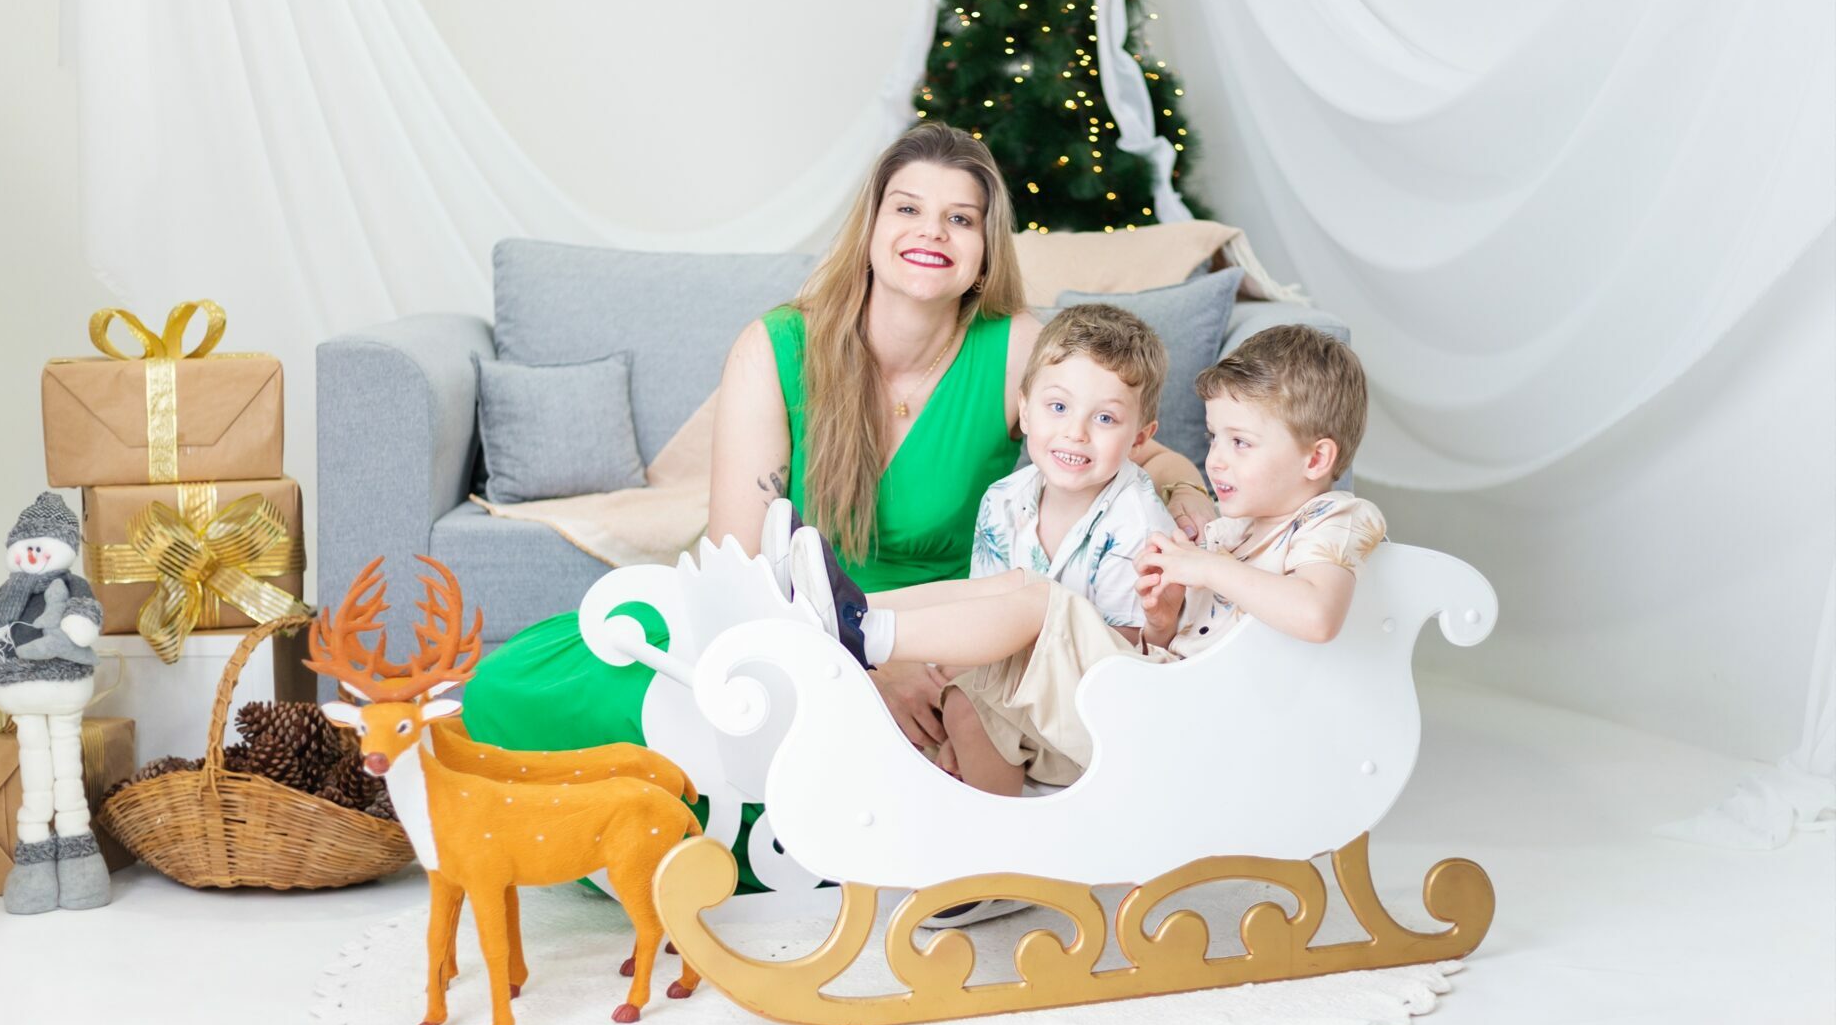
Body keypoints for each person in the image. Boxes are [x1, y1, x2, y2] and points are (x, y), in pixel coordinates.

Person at [458, 121, 1215, 889]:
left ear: (985, 250)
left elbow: (1130, 450)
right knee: (514, 688)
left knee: (821, 786)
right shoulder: (778, 346)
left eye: (960, 218)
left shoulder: (1016, 346)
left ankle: (746, 837)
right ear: (871, 227)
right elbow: (738, 566)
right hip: (786, 622)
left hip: (935, 642)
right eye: (908, 209)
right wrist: (856, 673)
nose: (932, 232)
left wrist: (1188, 494)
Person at [789, 323, 1387, 800]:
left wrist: (1204, 569)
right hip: (1152, 707)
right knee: (995, 637)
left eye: (1240, 443)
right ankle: (840, 609)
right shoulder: (1228, 532)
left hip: (1183, 732)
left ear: (1316, 459)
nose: (1216, 460)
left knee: (1038, 600)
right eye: (1215, 438)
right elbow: (1173, 640)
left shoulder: (1333, 517)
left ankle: (866, 631)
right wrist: (1164, 615)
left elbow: (1317, 615)